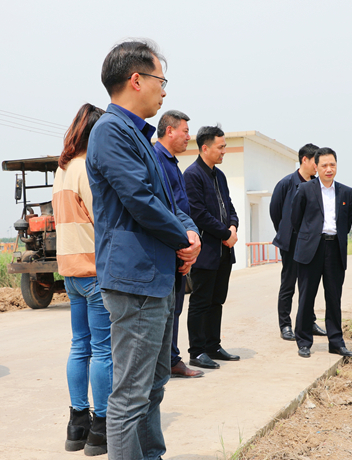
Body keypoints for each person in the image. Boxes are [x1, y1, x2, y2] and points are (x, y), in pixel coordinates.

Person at [86, 39, 201, 460]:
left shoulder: (140, 137)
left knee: (153, 386)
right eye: (160, 81)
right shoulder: (111, 132)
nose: (164, 92)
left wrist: (190, 233)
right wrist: (182, 239)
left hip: (155, 279)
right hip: (135, 282)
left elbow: (169, 201)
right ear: (137, 80)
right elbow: (140, 200)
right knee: (130, 396)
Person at [52, 103, 111, 456]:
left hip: (70, 272)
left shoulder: (61, 171)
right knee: (103, 350)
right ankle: (101, 427)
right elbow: (102, 218)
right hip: (93, 270)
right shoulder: (87, 169)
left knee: (80, 346)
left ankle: (77, 424)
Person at [291, 147, 352, 358]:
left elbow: (347, 220)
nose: (329, 169)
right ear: (316, 167)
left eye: (332, 165)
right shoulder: (305, 189)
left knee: (334, 297)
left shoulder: (346, 192)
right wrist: (310, 236)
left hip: (335, 248)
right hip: (311, 249)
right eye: (324, 165)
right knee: (306, 297)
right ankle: (303, 342)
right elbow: (296, 219)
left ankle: (336, 342)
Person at [184, 125, 240, 370]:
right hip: (206, 251)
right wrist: (225, 233)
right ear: (205, 148)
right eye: (221, 147)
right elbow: (198, 214)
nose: (224, 151)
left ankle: (213, 346)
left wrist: (233, 227)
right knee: (200, 301)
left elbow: (230, 207)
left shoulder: (220, 176)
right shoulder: (192, 175)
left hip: (224, 251)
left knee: (217, 300)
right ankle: (196, 352)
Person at [153, 110, 204, 378]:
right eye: (185, 131)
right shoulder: (156, 160)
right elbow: (165, 210)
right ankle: (167, 362)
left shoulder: (172, 162)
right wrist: (180, 245)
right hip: (170, 246)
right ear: (169, 130)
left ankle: (171, 359)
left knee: (175, 308)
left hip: (181, 245)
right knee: (167, 309)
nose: (188, 137)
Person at [269, 143, 327, 341]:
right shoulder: (286, 183)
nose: (318, 166)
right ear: (304, 160)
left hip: (311, 243)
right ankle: (285, 325)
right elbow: (275, 212)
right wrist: (286, 231)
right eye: (315, 162)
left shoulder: (317, 185)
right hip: (291, 242)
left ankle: (308, 322)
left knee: (308, 285)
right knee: (288, 284)